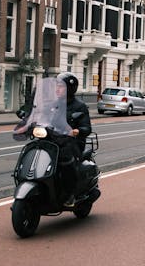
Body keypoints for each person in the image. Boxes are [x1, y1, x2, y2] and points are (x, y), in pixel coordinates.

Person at [56, 72, 92, 207]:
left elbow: (86, 127)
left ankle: (70, 194)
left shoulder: (79, 106)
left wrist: (77, 131)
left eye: (60, 87)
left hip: (73, 143)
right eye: (56, 86)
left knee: (66, 160)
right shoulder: (53, 104)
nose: (57, 89)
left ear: (70, 89)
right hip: (54, 141)